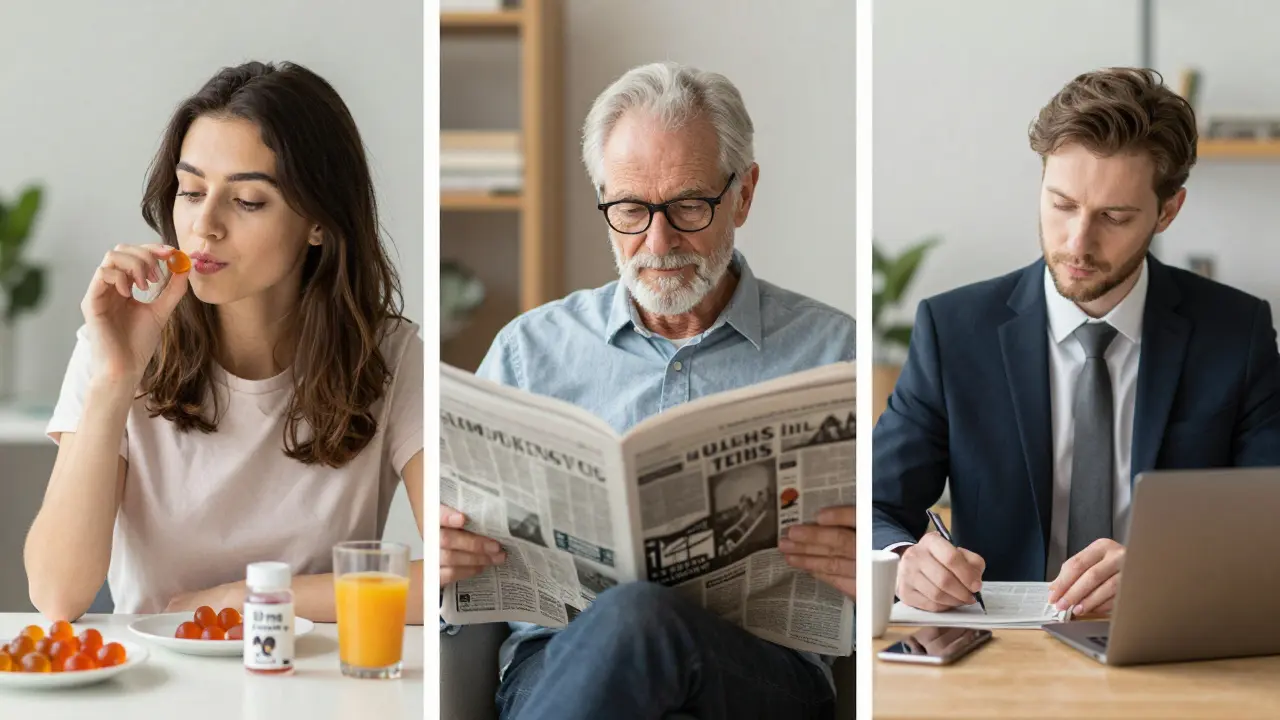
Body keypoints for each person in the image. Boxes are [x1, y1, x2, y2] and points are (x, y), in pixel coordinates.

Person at [441, 61, 855, 720]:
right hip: (558, 669)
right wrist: (447, 552)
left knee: (640, 616)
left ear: (743, 194)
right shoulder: (527, 353)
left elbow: (902, 542)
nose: (657, 243)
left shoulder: (837, 355)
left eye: (689, 205)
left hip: (758, 680)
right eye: (630, 209)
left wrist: (874, 564)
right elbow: (452, 550)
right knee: (628, 625)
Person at [24, 61, 424, 626]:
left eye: (248, 201)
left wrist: (249, 600)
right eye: (190, 191)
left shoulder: (391, 354)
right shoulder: (111, 344)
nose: (204, 225)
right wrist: (115, 379)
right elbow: (56, 595)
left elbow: (450, 576)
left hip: (316, 685)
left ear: (317, 221)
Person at [873, 67, 1280, 618]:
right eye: (1062, 204)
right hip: (1000, 653)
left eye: (1114, 216)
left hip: (1171, 631)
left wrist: (1161, 571)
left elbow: (1267, 522)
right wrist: (902, 559)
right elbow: (873, 504)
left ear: (1167, 211)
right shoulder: (953, 331)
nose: (1077, 243)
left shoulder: (1238, 333)